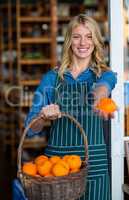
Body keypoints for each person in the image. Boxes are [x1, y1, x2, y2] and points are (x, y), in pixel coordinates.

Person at [13, 14, 117, 200]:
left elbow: (104, 86)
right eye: (77, 36)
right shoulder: (52, 79)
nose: (83, 42)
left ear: (95, 41)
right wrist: (43, 117)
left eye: (89, 36)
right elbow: (30, 128)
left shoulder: (105, 74)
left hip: (95, 168)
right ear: (69, 41)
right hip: (56, 170)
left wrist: (98, 97)